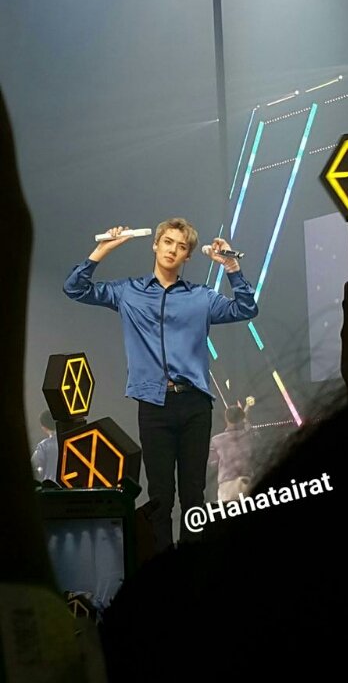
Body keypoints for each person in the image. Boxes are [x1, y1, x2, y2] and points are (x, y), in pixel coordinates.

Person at [99, 284, 348, 678]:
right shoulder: (248, 437)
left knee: (233, 549)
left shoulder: (218, 440)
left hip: (227, 493)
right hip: (247, 486)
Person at [63, 220, 258, 553]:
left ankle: (192, 563)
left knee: (193, 494)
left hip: (195, 404)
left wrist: (231, 267)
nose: (172, 250)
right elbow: (75, 288)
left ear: (188, 256)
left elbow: (246, 308)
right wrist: (103, 250)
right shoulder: (129, 292)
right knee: (160, 495)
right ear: (155, 245)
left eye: (181, 247)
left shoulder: (200, 297)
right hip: (153, 403)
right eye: (167, 242)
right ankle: (163, 566)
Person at [208, 398, 258, 501]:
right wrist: (246, 412)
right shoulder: (250, 436)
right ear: (242, 418)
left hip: (227, 486)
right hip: (248, 482)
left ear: (226, 419)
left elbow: (212, 463)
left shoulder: (216, 440)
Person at [30, 409, 59, 483]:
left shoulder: (43, 446)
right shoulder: (69, 441)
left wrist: (40, 470)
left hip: (51, 486)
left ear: (44, 428)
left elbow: (32, 465)